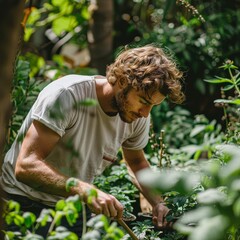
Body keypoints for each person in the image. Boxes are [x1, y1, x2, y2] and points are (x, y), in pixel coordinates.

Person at [1, 44, 185, 237]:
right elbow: (26, 165)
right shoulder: (68, 95)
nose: (146, 113)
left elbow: (136, 161)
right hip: (20, 202)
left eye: (153, 106)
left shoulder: (137, 115)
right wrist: (86, 190)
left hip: (72, 207)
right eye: (144, 101)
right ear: (122, 81)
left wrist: (158, 202)